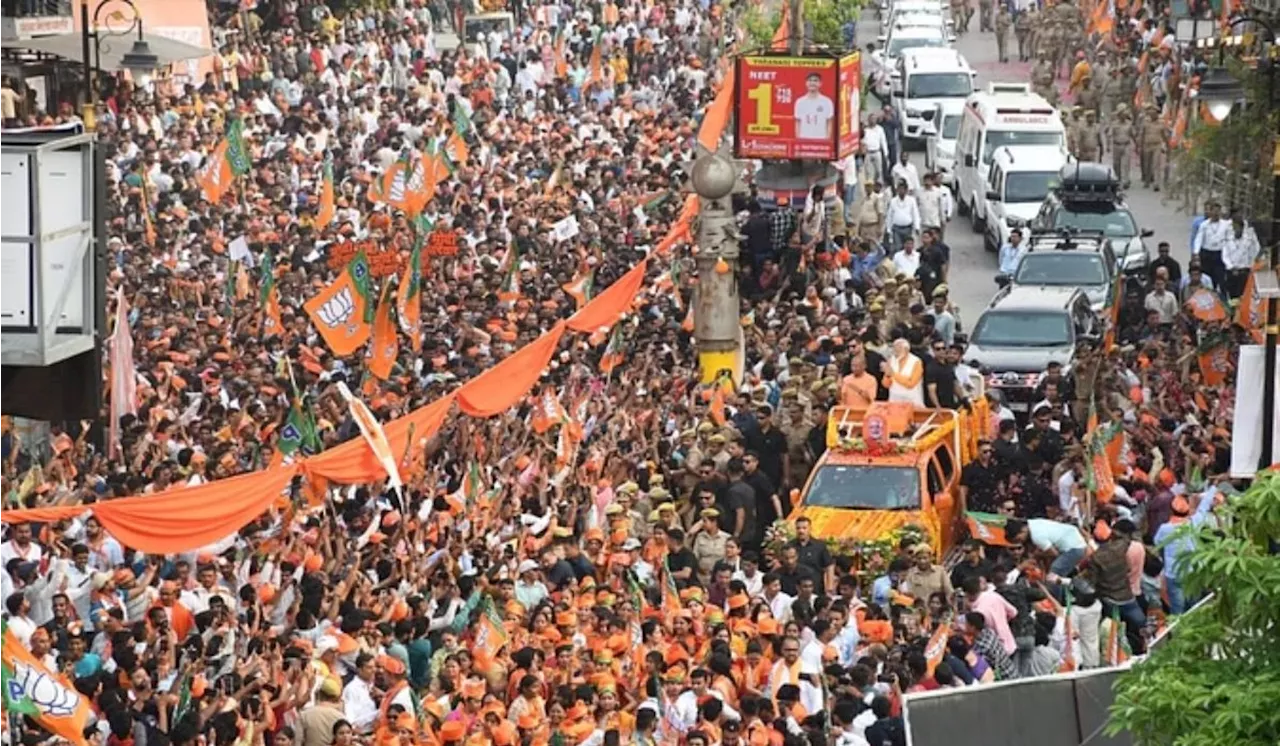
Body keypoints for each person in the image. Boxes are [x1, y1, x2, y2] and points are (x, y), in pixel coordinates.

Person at [881, 338, 925, 407]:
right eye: (894, 349)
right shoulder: (891, 360)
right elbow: (885, 384)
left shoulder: (916, 362)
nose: (895, 351)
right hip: (894, 401)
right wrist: (887, 375)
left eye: (898, 349)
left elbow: (911, 383)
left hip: (912, 402)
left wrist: (893, 374)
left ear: (906, 350)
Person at [794, 72, 835, 140]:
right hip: (804, 140)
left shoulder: (827, 102)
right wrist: (799, 140)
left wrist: (827, 139)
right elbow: (798, 123)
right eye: (810, 80)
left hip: (821, 140)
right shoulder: (800, 102)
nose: (812, 83)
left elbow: (829, 123)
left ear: (820, 83)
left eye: (815, 80)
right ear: (806, 83)